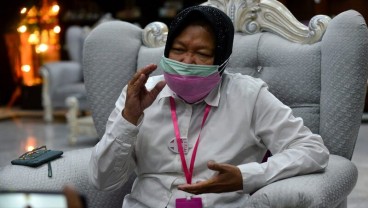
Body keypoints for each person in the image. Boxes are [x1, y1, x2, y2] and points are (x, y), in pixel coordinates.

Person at [89, 5, 329, 208]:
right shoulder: (138, 95)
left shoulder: (249, 96)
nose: (187, 61)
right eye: (179, 50)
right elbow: (103, 179)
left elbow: (312, 150)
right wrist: (129, 118)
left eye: (202, 53)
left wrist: (246, 177)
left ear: (222, 60)